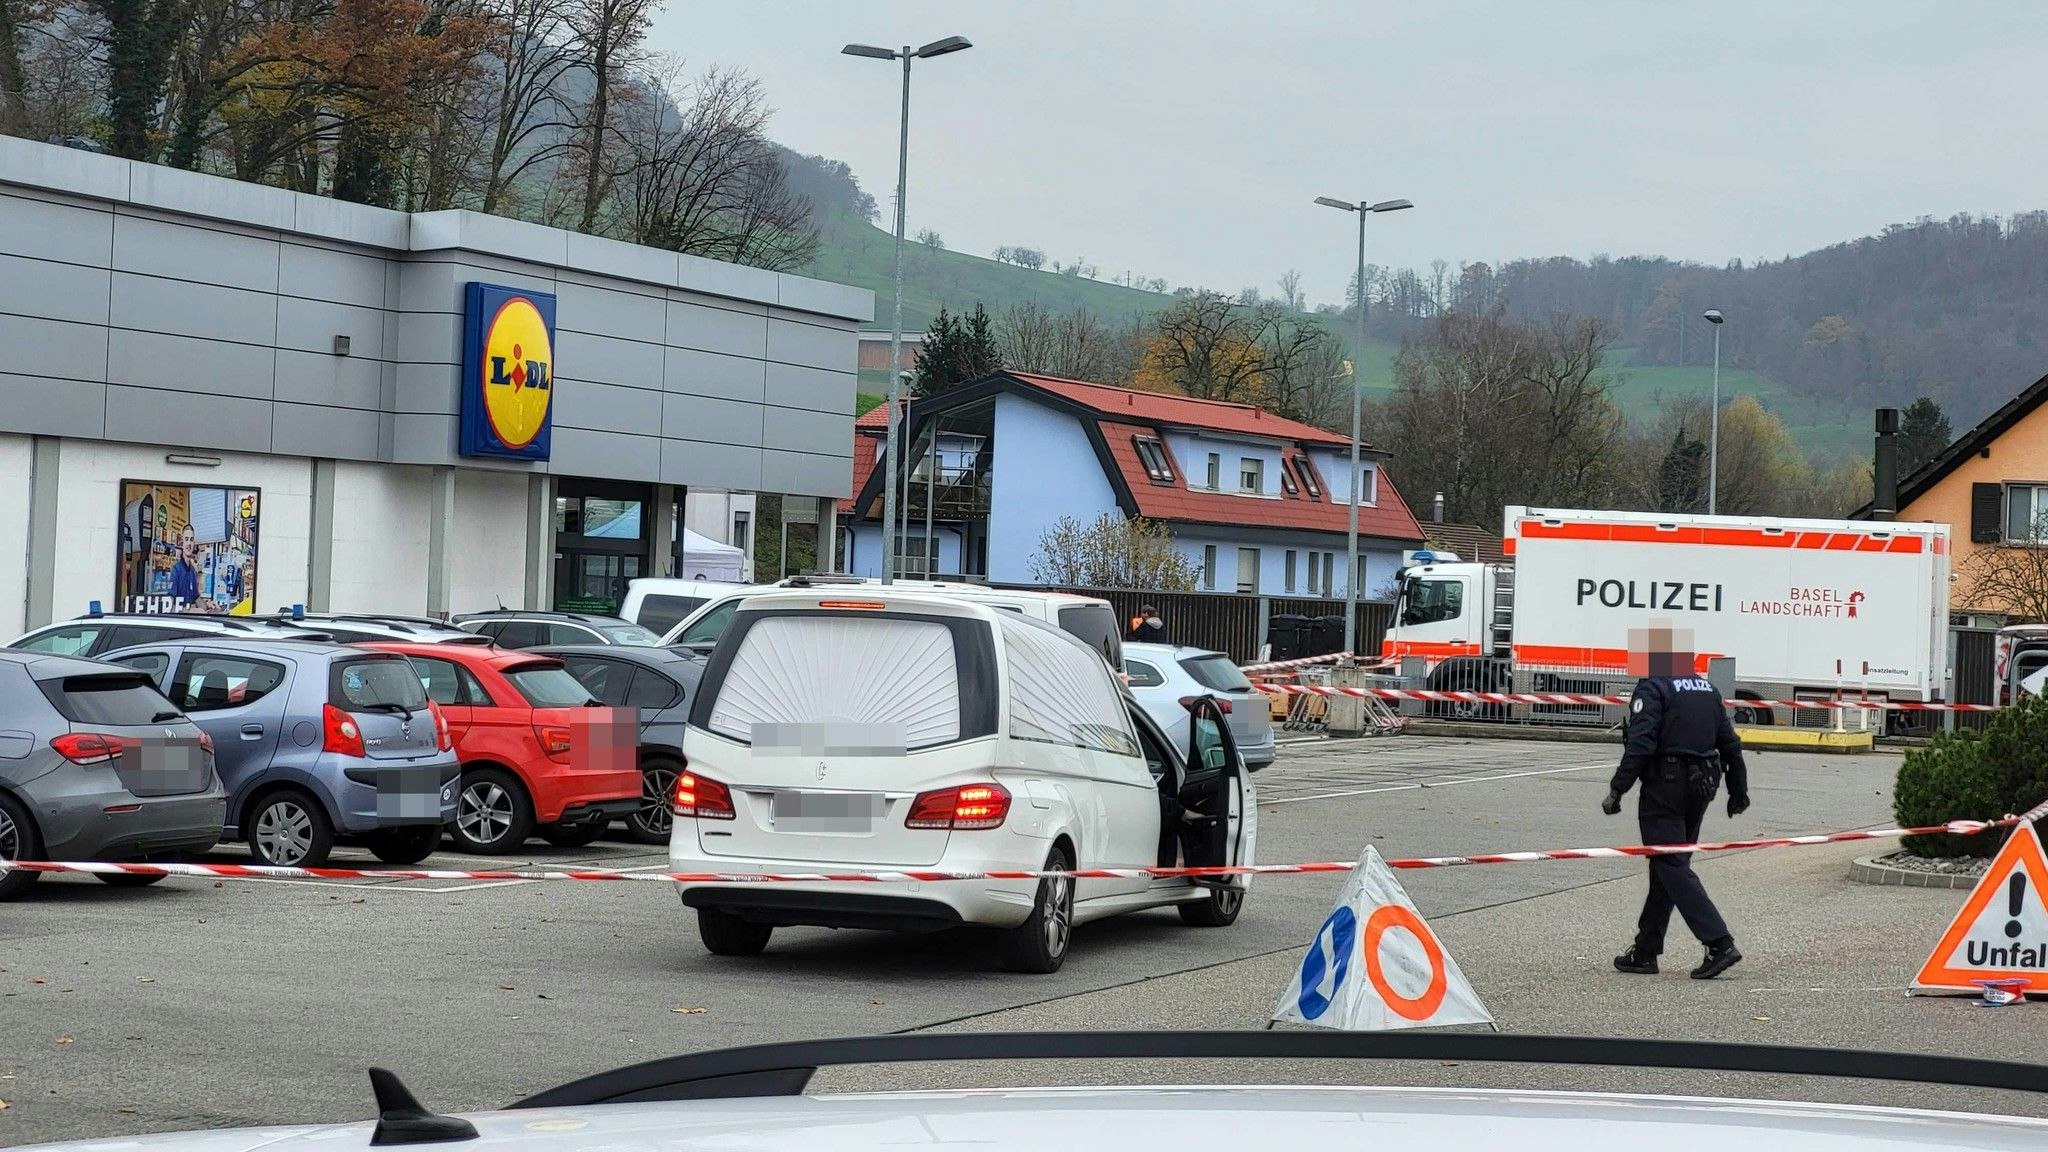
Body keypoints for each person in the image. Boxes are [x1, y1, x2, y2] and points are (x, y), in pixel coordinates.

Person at [1601, 622, 1750, 980]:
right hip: (1702, 786)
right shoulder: (1706, 688)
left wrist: (1617, 789)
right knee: (1666, 865)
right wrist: (1738, 789)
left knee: (1670, 865)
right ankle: (1646, 950)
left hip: (1665, 788)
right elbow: (1730, 742)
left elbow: (1641, 744)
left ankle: (1719, 942)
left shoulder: (1652, 688)